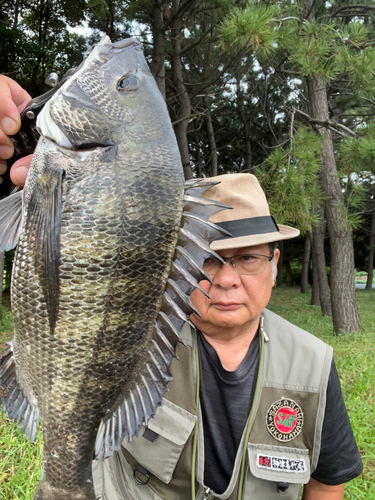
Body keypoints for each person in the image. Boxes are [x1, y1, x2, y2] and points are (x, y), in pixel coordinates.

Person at [0, 75, 363, 500]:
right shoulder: (142, 337)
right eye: (209, 257)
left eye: (248, 258)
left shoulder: (313, 363)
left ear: (275, 265)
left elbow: (327, 481)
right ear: (179, 264)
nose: (226, 279)